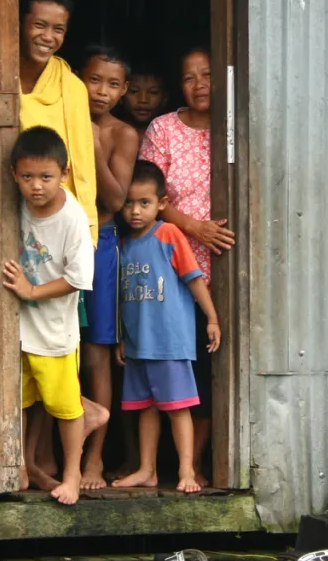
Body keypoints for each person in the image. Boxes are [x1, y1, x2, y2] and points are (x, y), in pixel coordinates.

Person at [139, 48, 234, 486]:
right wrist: (198, 228)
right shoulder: (163, 129)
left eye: (207, 75)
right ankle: (161, 466)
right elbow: (151, 198)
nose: (199, 84)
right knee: (173, 367)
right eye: (189, 76)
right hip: (173, 268)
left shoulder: (236, 125)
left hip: (230, 268)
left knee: (218, 371)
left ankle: (193, 467)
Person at [18, 0, 99, 486]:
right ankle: (30, 462)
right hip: (11, 221)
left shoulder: (70, 87)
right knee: (20, 359)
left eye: (59, 29)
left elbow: (81, 166)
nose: (48, 36)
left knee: (51, 347)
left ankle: (52, 459)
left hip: (57, 233)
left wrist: (85, 231)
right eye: (39, 24)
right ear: (22, 23)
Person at [3, 126, 108, 504]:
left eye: (46, 177)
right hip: (17, 325)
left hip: (55, 332)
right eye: (27, 177)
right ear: (14, 173)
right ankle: (18, 466)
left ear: (63, 174)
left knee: (64, 408)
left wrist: (31, 291)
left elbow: (80, 277)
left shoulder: (72, 218)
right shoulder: (12, 202)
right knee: (20, 402)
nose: (36, 187)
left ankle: (72, 476)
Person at [112, 161, 221, 493]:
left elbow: (194, 279)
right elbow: (120, 296)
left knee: (177, 408)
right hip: (137, 343)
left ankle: (187, 469)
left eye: (144, 203)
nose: (134, 211)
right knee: (145, 409)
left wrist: (212, 318)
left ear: (162, 203)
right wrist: (121, 338)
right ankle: (148, 469)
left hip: (170, 342)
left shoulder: (169, 234)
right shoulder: (123, 243)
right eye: (128, 202)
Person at [75, 45, 140, 490]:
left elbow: (116, 200)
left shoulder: (122, 134)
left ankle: (93, 460)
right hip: (58, 242)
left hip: (102, 243)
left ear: (125, 90)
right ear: (80, 78)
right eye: (95, 80)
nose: (102, 92)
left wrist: (91, 145)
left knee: (97, 354)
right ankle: (44, 456)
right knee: (56, 350)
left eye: (113, 84)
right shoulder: (62, 112)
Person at [116, 61, 168, 140]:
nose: (143, 100)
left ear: (165, 98)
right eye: (134, 91)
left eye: (153, 92)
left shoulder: (171, 137)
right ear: (120, 95)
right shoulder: (110, 133)